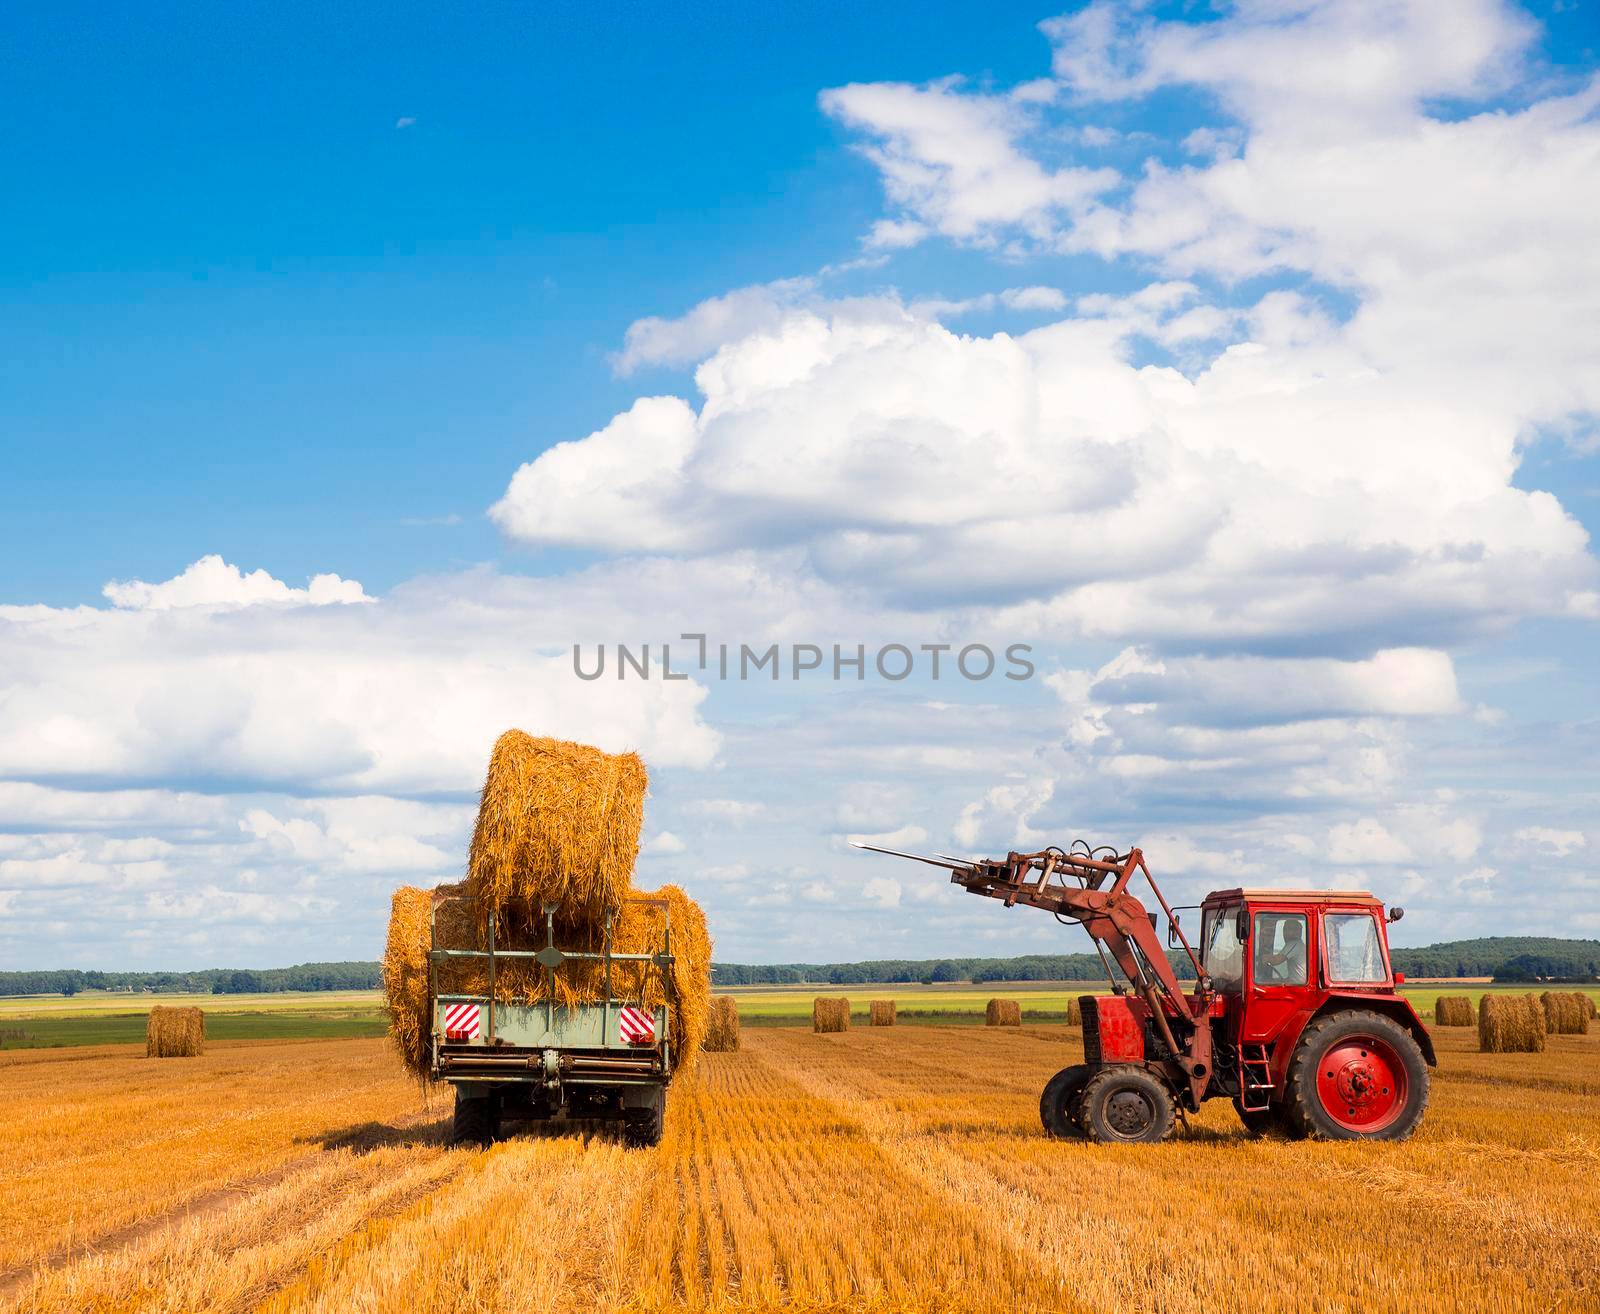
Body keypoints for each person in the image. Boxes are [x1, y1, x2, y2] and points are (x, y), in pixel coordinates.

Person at [1255, 916, 1307, 984]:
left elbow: (1276, 960)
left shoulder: (1294, 944)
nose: (1285, 933)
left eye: (1289, 929)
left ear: (1298, 931)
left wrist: (1262, 958)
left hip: (1298, 986)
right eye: (1285, 929)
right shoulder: (1299, 945)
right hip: (1295, 982)